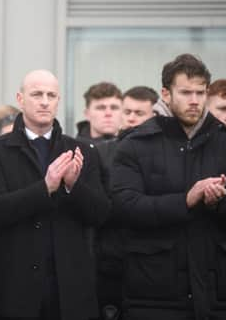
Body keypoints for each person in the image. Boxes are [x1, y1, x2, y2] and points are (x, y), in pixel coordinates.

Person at [0, 69, 110, 320]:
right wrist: (44, 188)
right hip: (14, 286)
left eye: (51, 95)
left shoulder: (82, 150)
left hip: (69, 288)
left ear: (59, 101)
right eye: (37, 94)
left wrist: (72, 187)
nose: (45, 101)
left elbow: (100, 213)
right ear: (20, 98)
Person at [112, 54, 226, 320]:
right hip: (154, 294)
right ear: (165, 94)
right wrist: (186, 200)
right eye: (186, 92)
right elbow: (125, 206)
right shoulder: (135, 144)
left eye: (201, 93)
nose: (194, 100)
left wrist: (219, 203)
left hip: (221, 294)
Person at [93, 85, 158, 320]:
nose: (130, 118)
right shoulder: (102, 152)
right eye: (127, 111)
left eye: (138, 113)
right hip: (110, 258)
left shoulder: (164, 152)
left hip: (152, 258)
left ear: (154, 116)